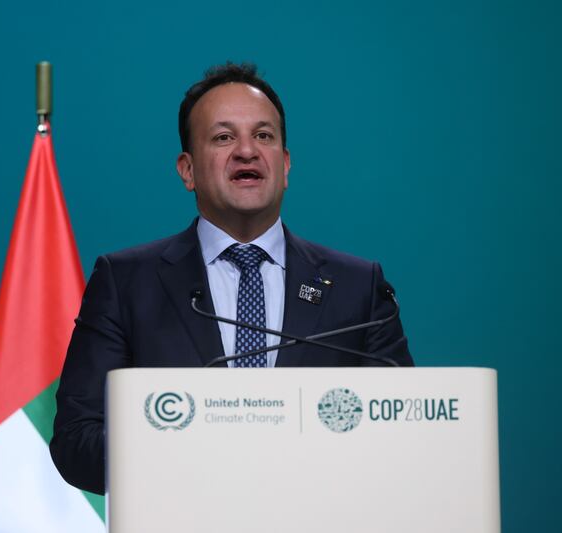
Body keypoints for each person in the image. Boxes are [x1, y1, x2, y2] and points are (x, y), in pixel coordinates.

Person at [50, 63, 413, 495]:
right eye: (224, 137)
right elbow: (77, 443)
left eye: (264, 136)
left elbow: (402, 434)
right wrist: (199, 446)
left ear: (286, 163)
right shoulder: (126, 283)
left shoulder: (358, 288)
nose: (247, 151)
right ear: (187, 170)